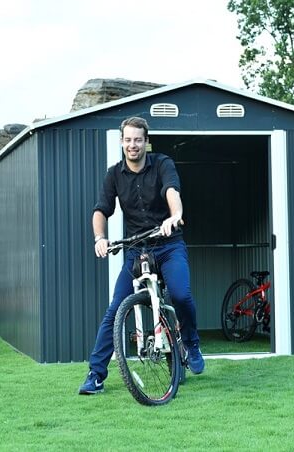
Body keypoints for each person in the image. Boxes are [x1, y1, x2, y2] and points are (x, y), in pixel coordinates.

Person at [79, 116, 204, 395]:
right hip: (137, 250)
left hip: (169, 245)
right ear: (121, 142)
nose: (132, 145)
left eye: (138, 140)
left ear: (146, 142)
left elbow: (172, 190)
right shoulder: (114, 175)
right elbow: (101, 210)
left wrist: (176, 216)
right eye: (127, 140)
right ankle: (95, 375)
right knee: (115, 309)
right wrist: (100, 238)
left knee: (180, 295)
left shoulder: (162, 164)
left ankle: (191, 343)